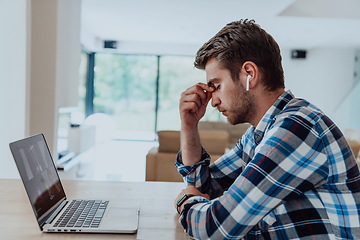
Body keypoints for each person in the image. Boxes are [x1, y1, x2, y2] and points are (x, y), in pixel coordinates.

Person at [174, 19, 360, 239]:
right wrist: (189, 125)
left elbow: (215, 228)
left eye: (217, 86)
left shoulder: (298, 129)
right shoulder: (259, 134)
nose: (212, 101)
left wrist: (185, 201)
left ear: (249, 74)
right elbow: (205, 186)